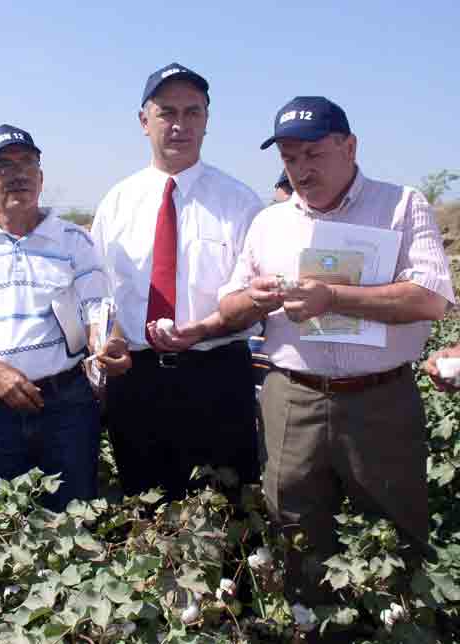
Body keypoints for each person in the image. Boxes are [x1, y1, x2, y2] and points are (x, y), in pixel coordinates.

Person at [219, 96, 454, 613]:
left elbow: (430, 298)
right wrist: (251, 301)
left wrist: (335, 297)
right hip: (291, 399)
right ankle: (312, 624)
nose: (300, 169)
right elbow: (230, 305)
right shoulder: (269, 223)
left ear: (349, 147)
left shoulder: (401, 205)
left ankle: (399, 625)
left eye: (312, 154)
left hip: (379, 399)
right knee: (295, 531)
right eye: (288, 158)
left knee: (395, 532)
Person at [0, 124, 130, 511]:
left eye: (28, 163)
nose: (18, 174)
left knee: (75, 525)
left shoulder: (74, 240)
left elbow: (97, 314)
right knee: (2, 536)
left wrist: (111, 343)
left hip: (67, 411)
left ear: (40, 178)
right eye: (3, 166)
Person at [91, 62, 263, 501]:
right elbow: (100, 295)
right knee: (145, 511)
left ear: (207, 120)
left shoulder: (240, 203)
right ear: (143, 121)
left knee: (228, 513)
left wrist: (205, 330)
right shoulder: (116, 203)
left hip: (217, 375)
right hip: (138, 380)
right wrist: (105, 343)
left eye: (193, 112)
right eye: (167, 112)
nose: (180, 125)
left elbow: (254, 297)